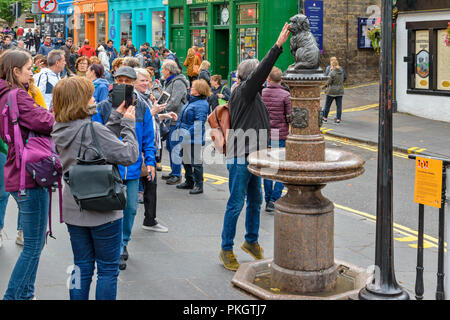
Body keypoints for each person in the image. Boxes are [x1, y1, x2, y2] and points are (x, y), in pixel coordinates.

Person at [51, 76, 139, 300]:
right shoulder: (93, 129)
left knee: (80, 265)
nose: (93, 98)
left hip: (74, 206)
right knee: (108, 269)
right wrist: (128, 125)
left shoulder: (59, 128)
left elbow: (93, 144)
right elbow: (129, 155)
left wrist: (116, 117)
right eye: (89, 95)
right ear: (79, 100)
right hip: (103, 207)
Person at [219, 23, 290, 271]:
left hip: (254, 156)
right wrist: (278, 46)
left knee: (256, 201)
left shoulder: (253, 95)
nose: (265, 78)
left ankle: (251, 241)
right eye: (260, 76)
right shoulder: (245, 92)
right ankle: (226, 248)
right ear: (253, 77)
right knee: (236, 203)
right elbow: (261, 72)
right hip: (241, 156)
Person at [0, 49, 55, 300]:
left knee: (33, 244)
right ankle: (14, 296)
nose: (32, 72)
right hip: (28, 174)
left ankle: (26, 294)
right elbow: (46, 121)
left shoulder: (4, 94)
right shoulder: (17, 96)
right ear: (15, 71)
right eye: (29, 68)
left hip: (16, 169)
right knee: (33, 245)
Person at [92, 66, 157, 271]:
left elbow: (148, 137)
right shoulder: (103, 106)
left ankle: (123, 243)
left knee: (130, 208)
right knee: (110, 209)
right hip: (109, 168)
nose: (124, 84)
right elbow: (95, 135)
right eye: (119, 80)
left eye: (128, 81)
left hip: (133, 168)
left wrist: (151, 161)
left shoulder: (142, 107)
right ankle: (112, 246)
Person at [134, 68, 171, 232]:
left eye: (147, 80)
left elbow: (149, 119)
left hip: (151, 147)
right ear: (133, 81)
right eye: (142, 80)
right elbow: (135, 121)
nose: (146, 83)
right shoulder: (134, 99)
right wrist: (154, 111)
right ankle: (146, 221)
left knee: (151, 185)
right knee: (143, 185)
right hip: (139, 149)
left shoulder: (147, 97)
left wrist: (162, 116)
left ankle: (150, 220)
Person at [261, 67, 291, 213]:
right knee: (279, 169)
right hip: (280, 134)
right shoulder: (286, 95)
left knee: (268, 168)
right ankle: (274, 199)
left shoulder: (262, 93)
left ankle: (267, 198)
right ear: (281, 80)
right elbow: (289, 116)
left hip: (265, 134)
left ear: (268, 79)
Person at [174, 79, 210, 195]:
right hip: (185, 136)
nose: (190, 88)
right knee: (186, 160)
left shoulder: (202, 104)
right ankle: (189, 181)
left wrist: (185, 134)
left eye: (193, 87)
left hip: (194, 138)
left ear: (199, 91)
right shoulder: (191, 101)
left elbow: (198, 124)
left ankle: (199, 185)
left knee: (196, 162)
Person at [160, 60, 189, 185]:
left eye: (163, 69)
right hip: (170, 118)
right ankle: (174, 172)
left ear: (169, 70)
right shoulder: (171, 81)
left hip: (176, 118)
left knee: (175, 147)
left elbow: (174, 101)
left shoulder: (178, 82)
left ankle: (177, 175)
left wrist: (161, 108)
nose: (161, 71)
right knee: (170, 146)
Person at [322, 58, 345, 124]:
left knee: (327, 105)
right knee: (339, 106)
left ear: (332, 65)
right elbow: (343, 79)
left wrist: (324, 87)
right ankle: (338, 119)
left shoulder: (332, 72)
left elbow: (328, 82)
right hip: (340, 91)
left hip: (331, 91)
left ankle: (325, 118)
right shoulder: (341, 71)